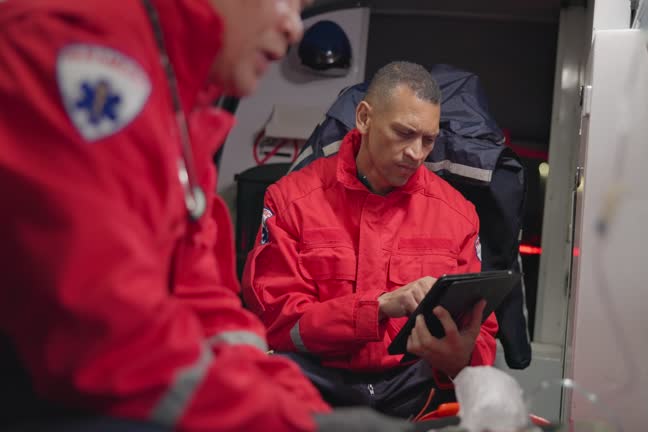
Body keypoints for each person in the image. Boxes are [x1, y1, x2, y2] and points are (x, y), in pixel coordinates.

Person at [0, 1, 414, 431]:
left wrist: (303, 411)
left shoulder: (176, 107)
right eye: (287, 0)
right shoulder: (76, 49)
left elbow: (205, 305)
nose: (294, 28)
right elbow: (102, 332)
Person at [242, 61, 499, 419]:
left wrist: (460, 358)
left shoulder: (459, 215)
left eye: (428, 140)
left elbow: (482, 335)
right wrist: (376, 308)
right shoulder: (290, 200)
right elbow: (278, 325)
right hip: (315, 388)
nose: (417, 153)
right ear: (364, 118)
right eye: (404, 133)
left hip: (413, 392)